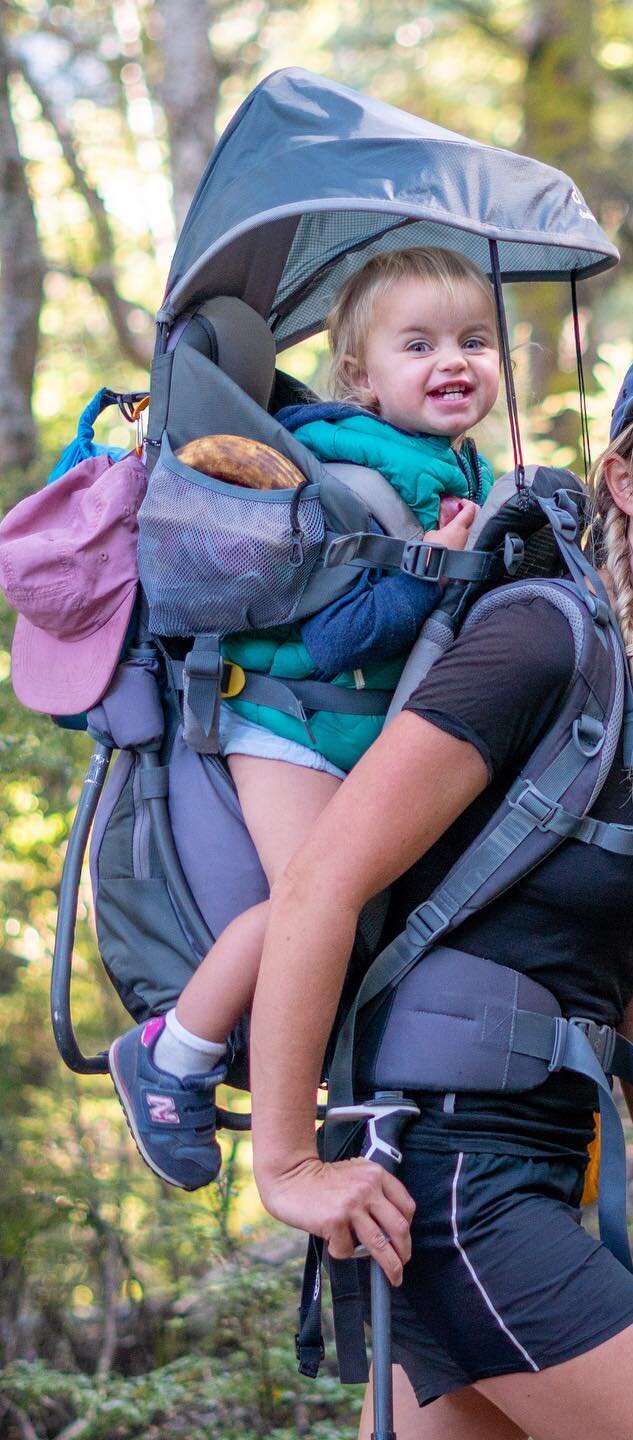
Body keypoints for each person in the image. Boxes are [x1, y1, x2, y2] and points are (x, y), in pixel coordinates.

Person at [248, 335, 633, 1439]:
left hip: (531, 1169)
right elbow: (319, 880)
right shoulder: (537, 643)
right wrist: (284, 1162)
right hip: (446, 1178)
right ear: (624, 479)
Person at [108, 247, 499, 1191]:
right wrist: (436, 567)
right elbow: (330, 637)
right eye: (420, 344)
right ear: (360, 376)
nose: (454, 360)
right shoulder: (350, 473)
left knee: (355, 903)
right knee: (303, 904)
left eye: (476, 341)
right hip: (286, 718)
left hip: (355, 733)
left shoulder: (449, 462)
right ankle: (172, 1055)